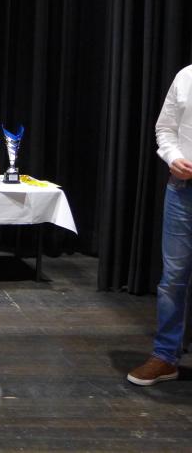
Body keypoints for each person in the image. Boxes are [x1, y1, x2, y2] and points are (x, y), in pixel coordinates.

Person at [127, 64, 192, 386]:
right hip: (183, 191)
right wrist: (173, 157)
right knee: (174, 278)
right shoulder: (186, 76)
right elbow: (165, 129)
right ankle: (165, 356)